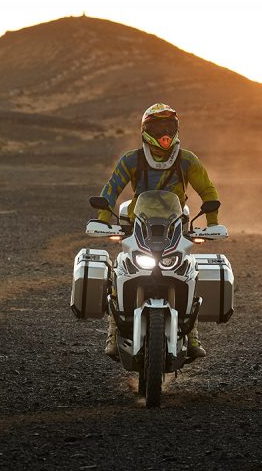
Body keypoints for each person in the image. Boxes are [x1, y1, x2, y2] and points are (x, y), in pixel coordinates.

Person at [97, 103, 220, 359]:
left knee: (189, 270)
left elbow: (208, 190)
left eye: (169, 127)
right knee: (121, 268)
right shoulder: (131, 159)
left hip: (176, 225)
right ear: (146, 130)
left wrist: (212, 222)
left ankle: (192, 334)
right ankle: (113, 331)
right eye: (158, 127)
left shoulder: (187, 159)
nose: (164, 133)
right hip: (138, 224)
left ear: (176, 129)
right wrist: (101, 219)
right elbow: (111, 188)